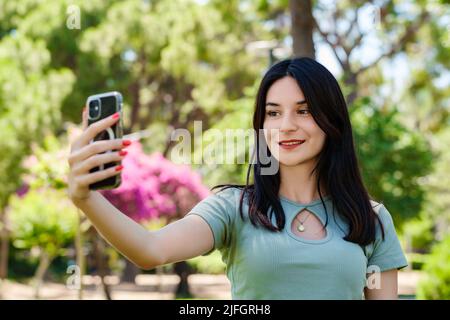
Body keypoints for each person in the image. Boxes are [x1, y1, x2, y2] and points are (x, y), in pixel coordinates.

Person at [67, 57, 408, 300]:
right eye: (273, 113)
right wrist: (85, 198)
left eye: (303, 111)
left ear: (331, 120)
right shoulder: (234, 208)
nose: (286, 124)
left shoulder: (371, 219)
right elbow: (150, 250)